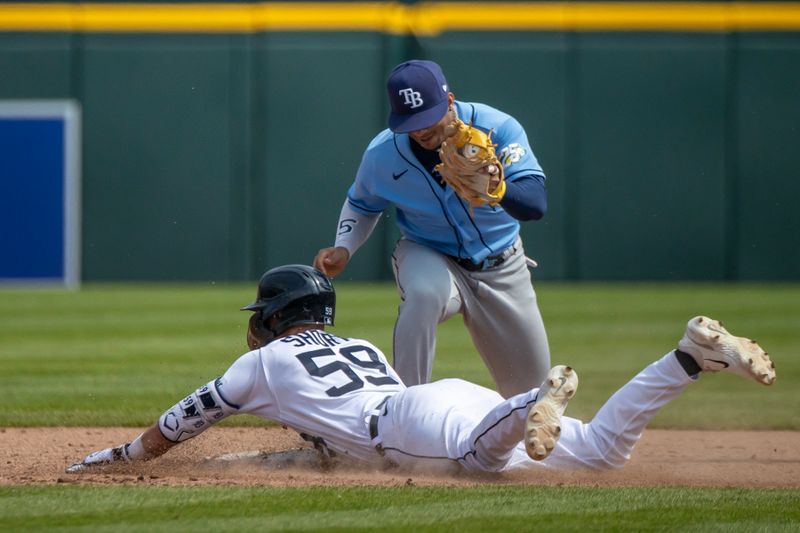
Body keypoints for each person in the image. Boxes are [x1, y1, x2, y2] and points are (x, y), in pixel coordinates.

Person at [67, 264, 776, 475]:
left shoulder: (265, 364)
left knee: (477, 459)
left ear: (274, 318)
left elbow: (181, 420)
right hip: (441, 397)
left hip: (412, 428)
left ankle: (536, 396)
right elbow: (317, 446)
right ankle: (685, 357)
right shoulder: (361, 348)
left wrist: (119, 455)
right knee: (600, 455)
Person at [313, 59, 551, 398]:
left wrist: (499, 190)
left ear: (450, 101)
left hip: (502, 267)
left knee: (531, 396)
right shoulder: (383, 154)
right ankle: (405, 411)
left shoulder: (498, 129)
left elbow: (535, 204)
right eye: (410, 123)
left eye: (427, 118)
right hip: (429, 254)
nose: (421, 130)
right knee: (425, 294)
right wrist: (344, 246)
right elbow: (362, 204)